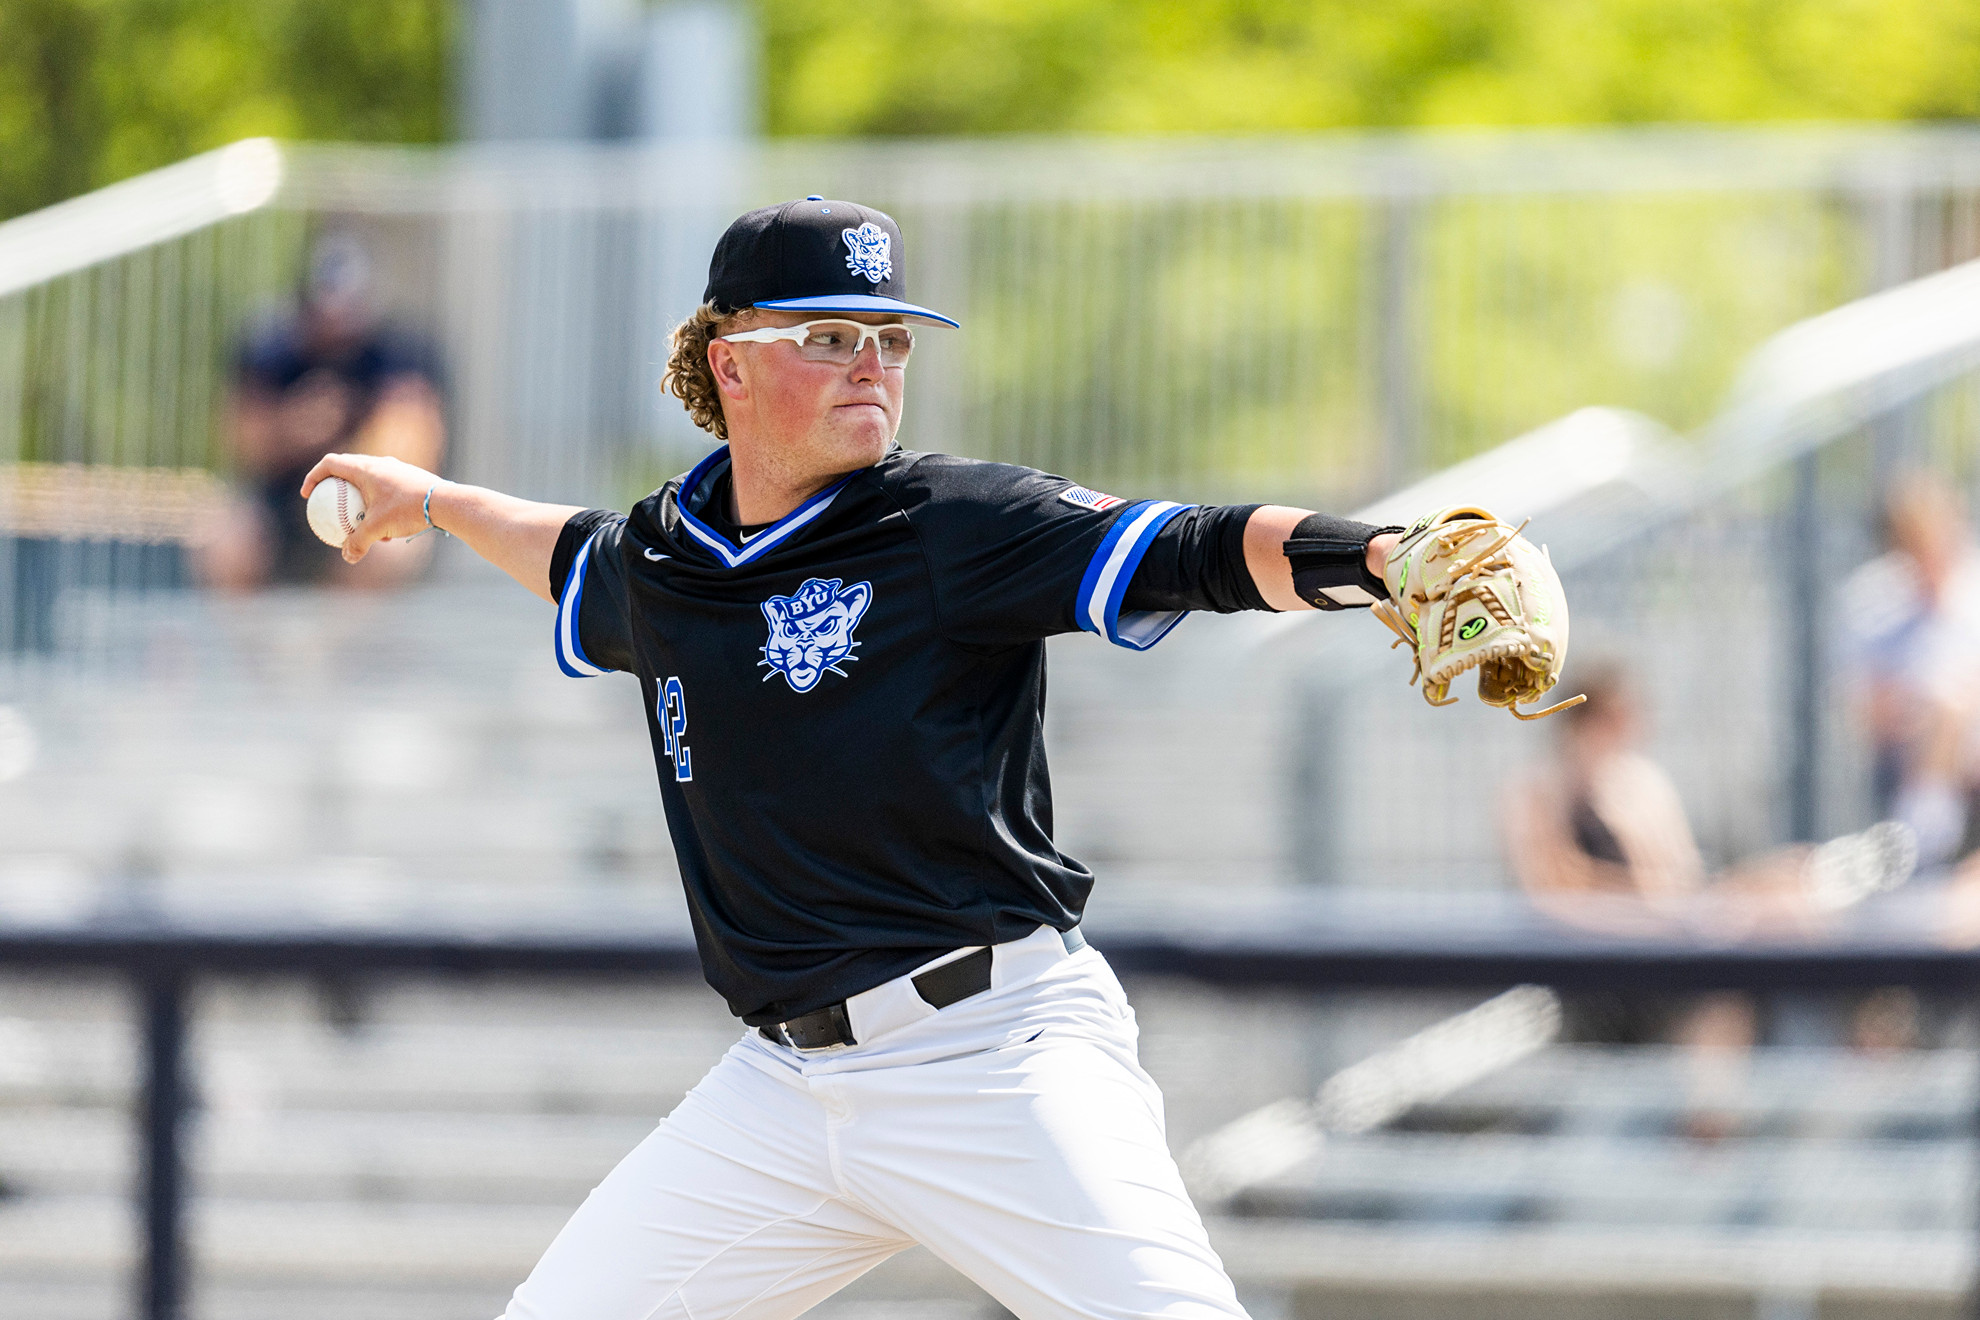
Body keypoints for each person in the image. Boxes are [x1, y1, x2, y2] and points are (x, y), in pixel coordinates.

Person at [305, 198, 1411, 1320]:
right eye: (829, 337)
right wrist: (436, 503)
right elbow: (566, 551)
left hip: (993, 1053)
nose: (871, 365)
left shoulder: (951, 520)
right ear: (729, 363)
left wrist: (1382, 558)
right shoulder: (664, 557)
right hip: (786, 1089)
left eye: (889, 340)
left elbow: (1191, 546)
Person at [202, 232, 445, 590]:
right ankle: (253, 648)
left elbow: (415, 450)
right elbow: (242, 443)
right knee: (224, 538)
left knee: (390, 551)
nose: (334, 321)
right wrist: (293, 430)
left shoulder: (396, 356)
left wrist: (346, 441)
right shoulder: (274, 348)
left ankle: (332, 645)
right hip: (280, 502)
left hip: (370, 504)